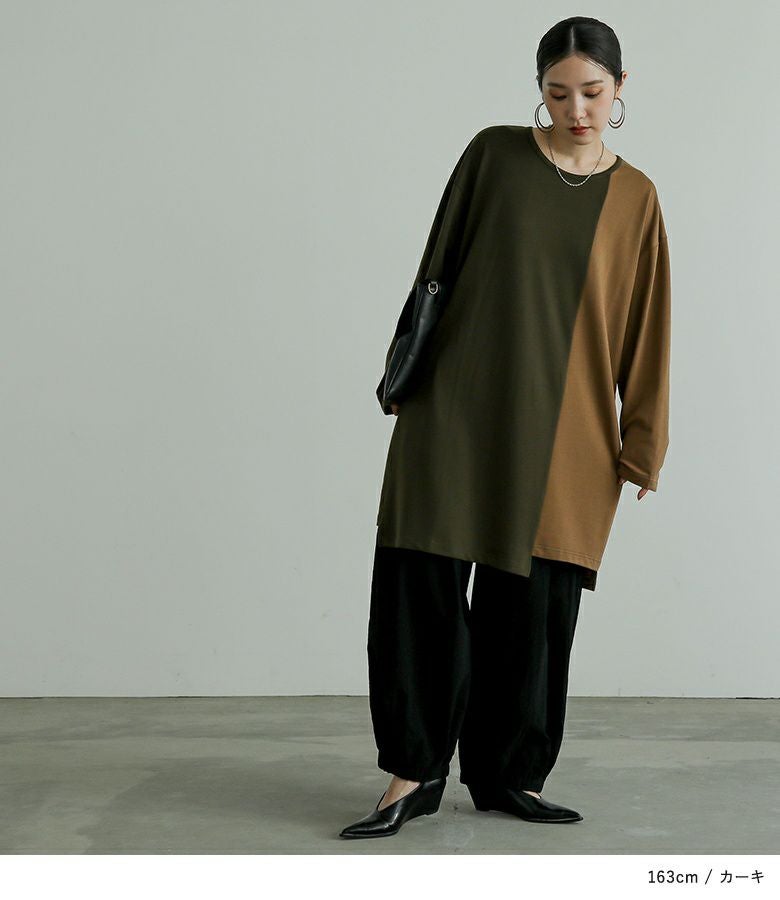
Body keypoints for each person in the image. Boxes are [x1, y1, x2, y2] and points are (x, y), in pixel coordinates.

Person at [340, 15, 671, 840]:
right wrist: (403, 376)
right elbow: (436, 273)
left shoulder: (635, 198)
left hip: (570, 429)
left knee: (534, 610)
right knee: (420, 586)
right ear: (539, 91)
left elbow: (646, 327)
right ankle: (412, 773)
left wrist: (641, 443)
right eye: (558, 94)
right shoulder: (493, 155)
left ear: (620, 88)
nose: (576, 110)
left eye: (592, 93)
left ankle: (506, 774)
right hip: (455, 410)